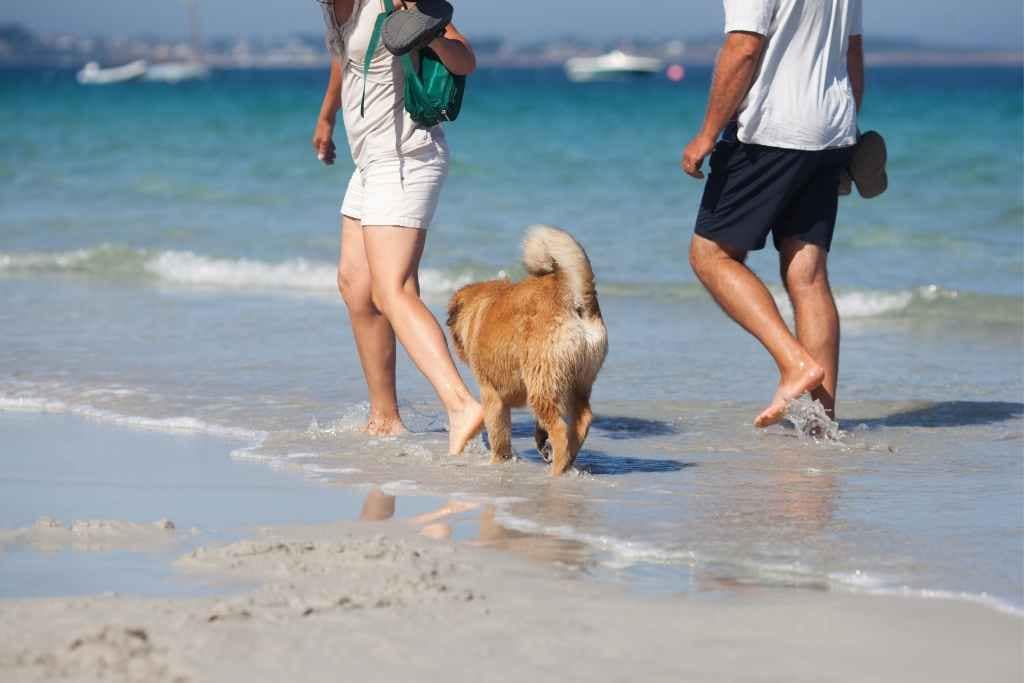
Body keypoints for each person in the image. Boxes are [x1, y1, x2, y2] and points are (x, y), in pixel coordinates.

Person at [682, 0, 864, 427]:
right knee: (809, 275)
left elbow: (744, 47)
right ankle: (821, 423)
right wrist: (847, 134)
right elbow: (852, 51)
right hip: (832, 128)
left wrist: (706, 135)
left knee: (710, 256)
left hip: (771, 132)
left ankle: (794, 364)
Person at [312, 0, 483, 453]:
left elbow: (465, 58)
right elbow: (344, 57)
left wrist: (427, 32)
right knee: (355, 284)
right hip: (369, 161)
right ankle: (384, 418)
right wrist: (327, 116)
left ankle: (462, 404)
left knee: (393, 289)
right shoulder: (332, 7)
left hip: (408, 156)